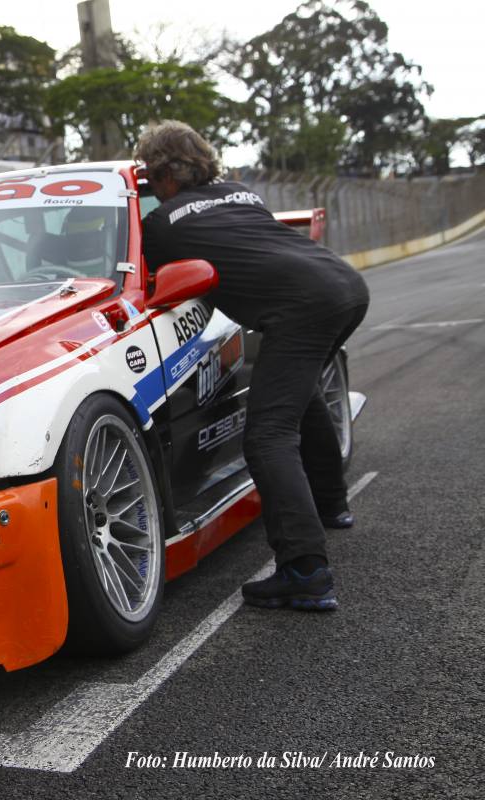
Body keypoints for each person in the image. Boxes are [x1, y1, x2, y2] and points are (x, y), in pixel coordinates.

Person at [135, 120, 369, 612]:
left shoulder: (161, 225)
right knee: (297, 398)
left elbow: (144, 282)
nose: (154, 188)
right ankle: (333, 505)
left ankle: (305, 571)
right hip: (344, 287)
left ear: (164, 175)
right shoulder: (241, 193)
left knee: (267, 435)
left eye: (153, 179)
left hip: (301, 308)